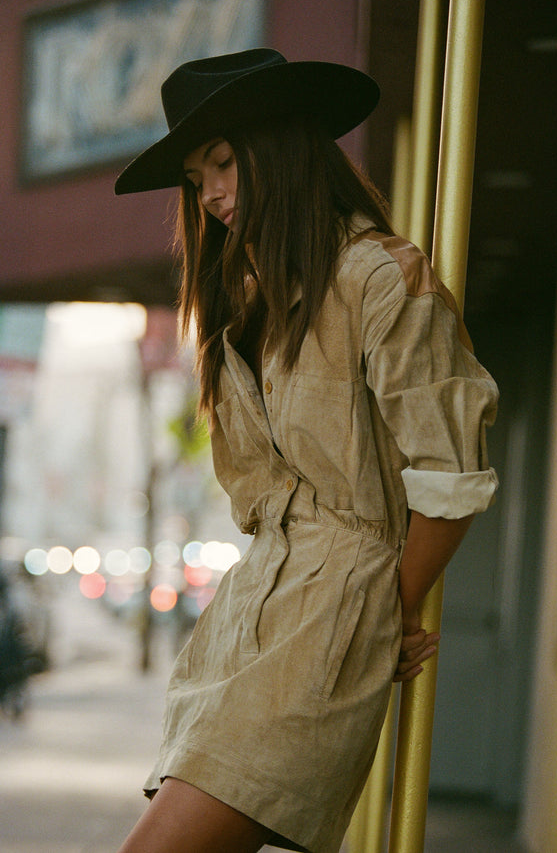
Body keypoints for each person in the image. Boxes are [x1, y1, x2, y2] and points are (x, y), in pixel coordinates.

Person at [114, 48, 499, 853]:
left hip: (330, 618)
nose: (210, 193)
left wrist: (387, 609)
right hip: (249, 612)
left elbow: (450, 476)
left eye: (222, 161)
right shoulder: (246, 301)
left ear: (281, 146)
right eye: (195, 177)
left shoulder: (379, 279)